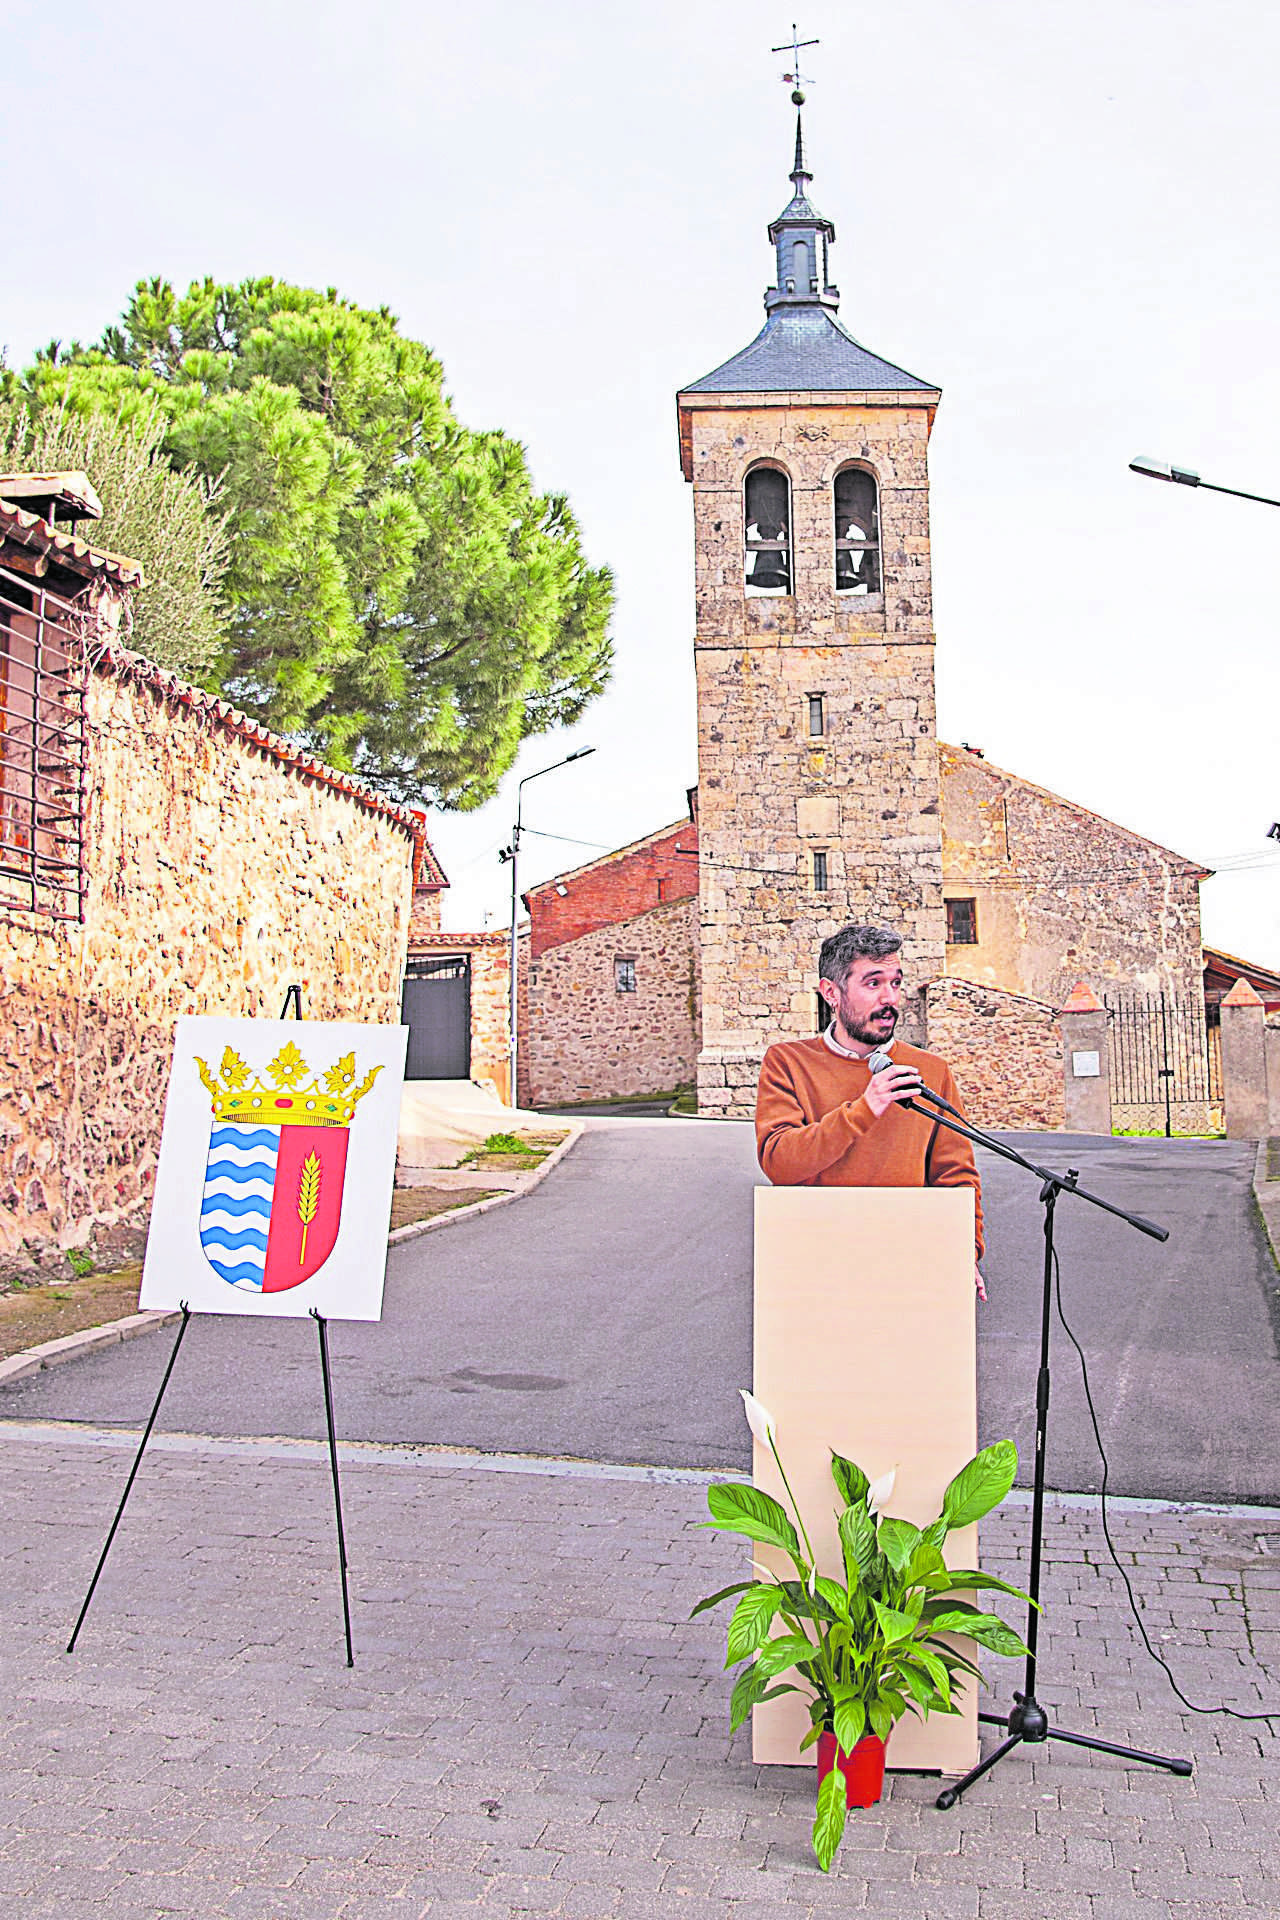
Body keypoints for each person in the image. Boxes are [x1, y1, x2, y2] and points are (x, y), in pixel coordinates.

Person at [755, 922, 986, 1297]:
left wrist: (966, 1250)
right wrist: (864, 1109)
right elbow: (779, 1163)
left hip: (907, 1262)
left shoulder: (931, 1071)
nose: (889, 998)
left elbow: (956, 1176)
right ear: (831, 992)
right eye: (873, 983)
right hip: (813, 1265)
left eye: (896, 983)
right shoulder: (787, 1063)